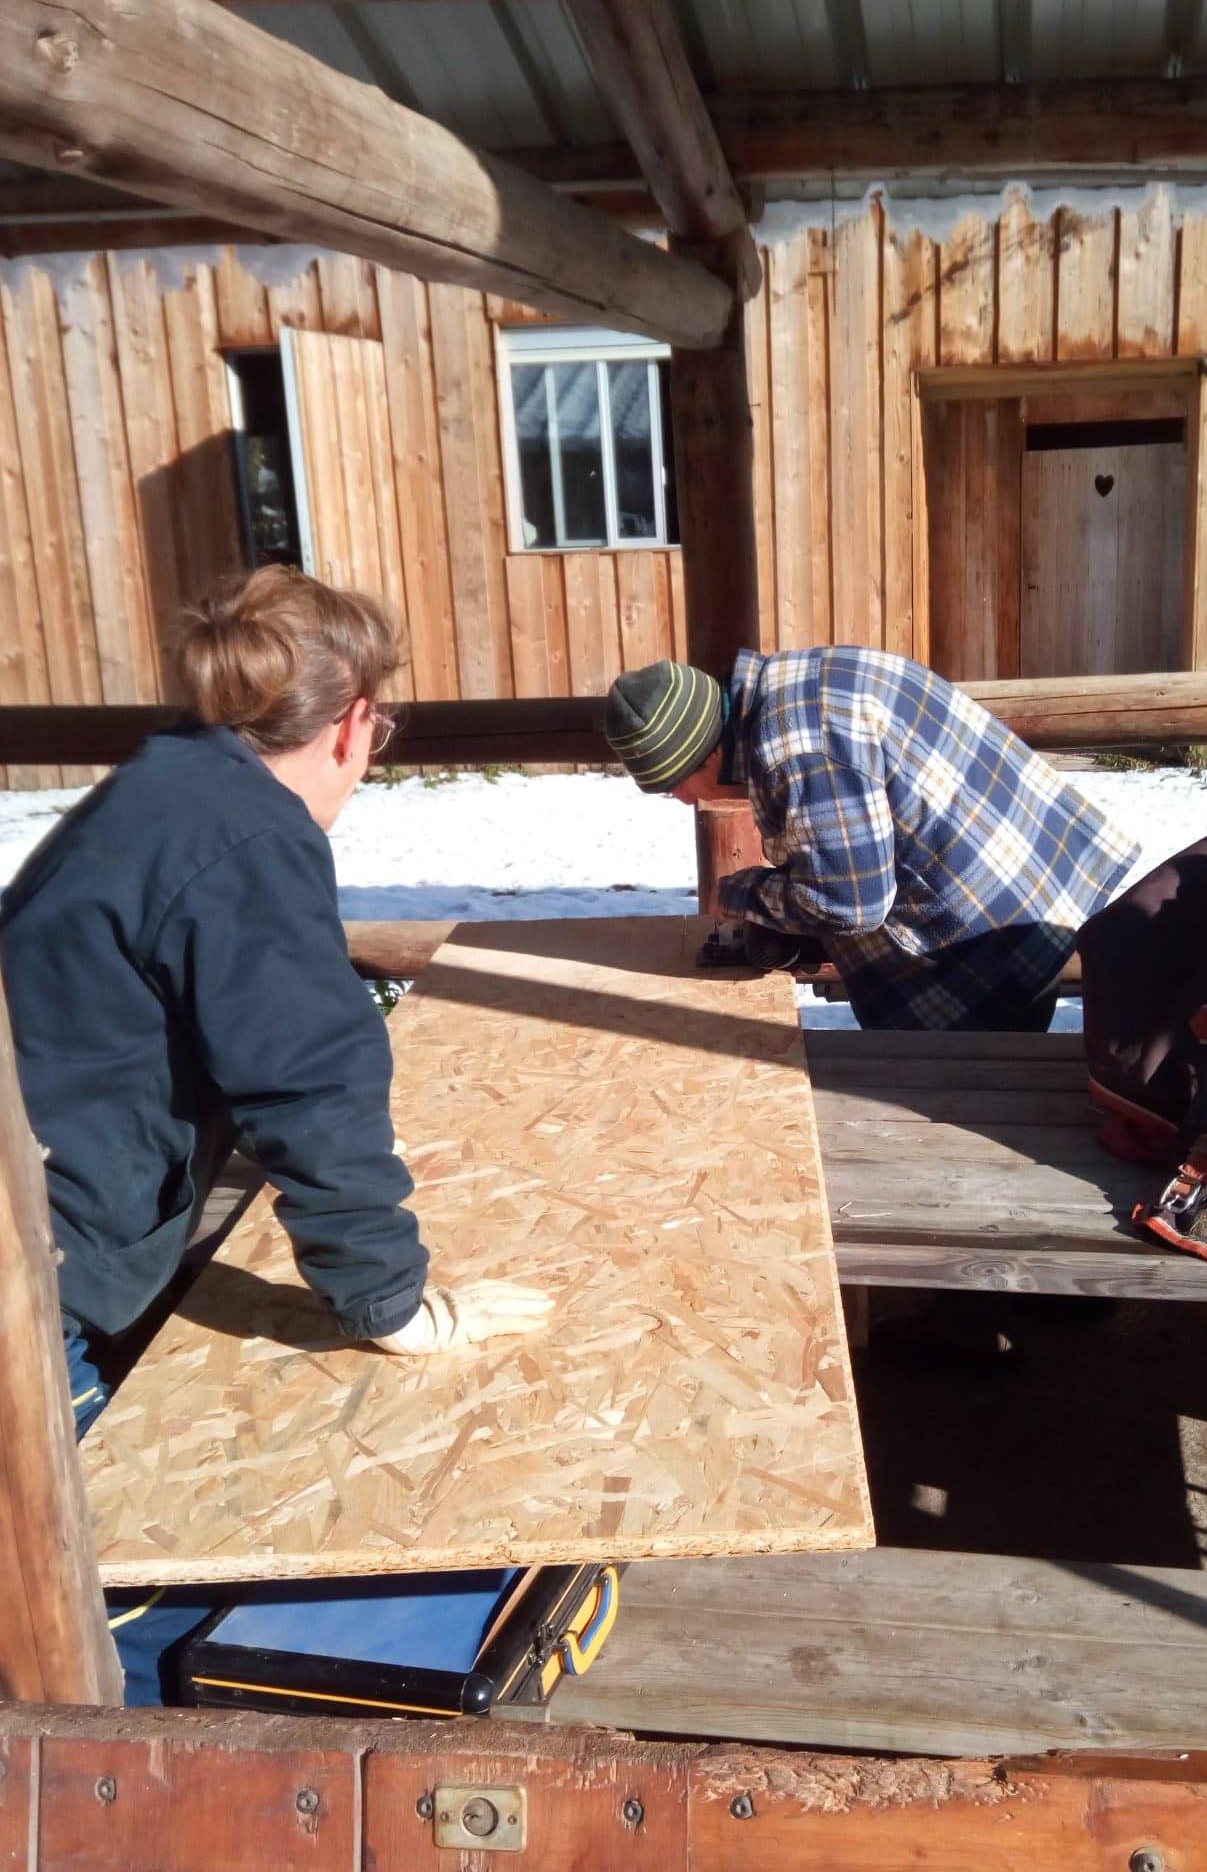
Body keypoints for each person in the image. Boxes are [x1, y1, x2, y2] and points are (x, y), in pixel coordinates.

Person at [0, 567, 551, 1700]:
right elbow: (311, 1075)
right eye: (383, 730)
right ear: (353, 724)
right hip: (30, 1273)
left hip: (45, 1210)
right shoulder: (247, 838)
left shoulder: (166, 786)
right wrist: (391, 1301)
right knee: (104, 1608)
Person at [604, 648, 1139, 1029]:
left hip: (995, 928)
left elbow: (849, 902)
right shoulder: (796, 680)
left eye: (673, 786)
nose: (682, 801)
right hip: (1035, 871)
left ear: (704, 754)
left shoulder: (796, 746)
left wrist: (743, 894)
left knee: (958, 1102)